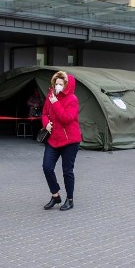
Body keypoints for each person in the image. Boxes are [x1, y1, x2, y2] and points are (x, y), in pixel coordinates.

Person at [41, 71, 81, 211]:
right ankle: (55, 194)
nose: (57, 86)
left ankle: (70, 199)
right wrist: (46, 124)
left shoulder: (72, 99)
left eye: (60, 84)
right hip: (53, 139)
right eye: (55, 84)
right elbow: (45, 113)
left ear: (66, 86)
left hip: (70, 140)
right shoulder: (50, 96)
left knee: (67, 171)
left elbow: (66, 118)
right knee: (47, 167)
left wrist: (56, 103)